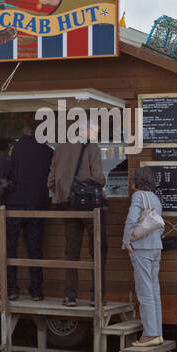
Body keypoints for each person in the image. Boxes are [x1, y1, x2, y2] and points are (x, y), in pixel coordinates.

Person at [48, 122, 107, 306]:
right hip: (89, 208)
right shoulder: (91, 147)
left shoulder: (60, 149)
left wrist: (63, 193)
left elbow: (51, 180)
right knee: (98, 250)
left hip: (67, 206)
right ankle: (96, 296)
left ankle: (69, 295)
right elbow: (99, 177)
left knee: (71, 251)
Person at [0, 119, 53, 301]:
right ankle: (36, 291)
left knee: (10, 249)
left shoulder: (14, 148)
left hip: (14, 205)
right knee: (35, 249)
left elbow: (2, 173)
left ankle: (11, 289)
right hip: (37, 205)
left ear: (27, 129)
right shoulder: (47, 151)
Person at [122, 166, 164, 347]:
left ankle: (149, 334)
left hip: (142, 248)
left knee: (144, 292)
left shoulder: (138, 196)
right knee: (154, 291)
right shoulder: (155, 198)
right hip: (156, 247)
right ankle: (157, 333)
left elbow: (132, 220)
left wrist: (126, 240)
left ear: (135, 182)